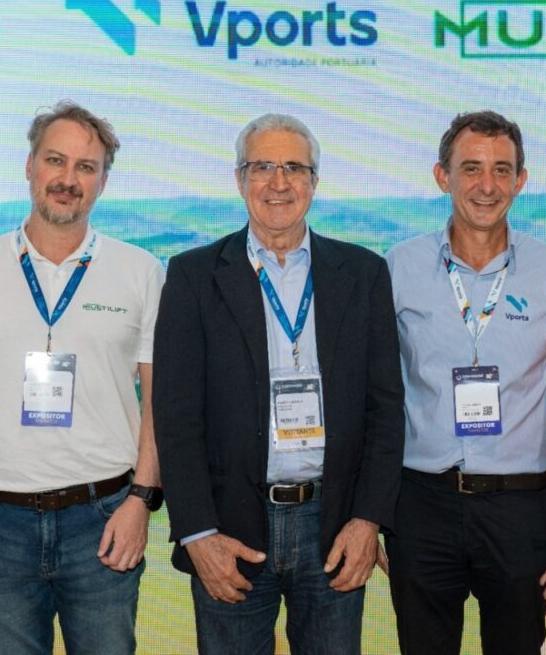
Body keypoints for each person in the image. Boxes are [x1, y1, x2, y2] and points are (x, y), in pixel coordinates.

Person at [0, 101, 164, 655]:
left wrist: (140, 503)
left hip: (104, 521)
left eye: (86, 167)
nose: (68, 179)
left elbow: (160, 400)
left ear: (103, 181)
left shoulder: (142, 271)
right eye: (55, 160)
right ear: (29, 166)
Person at [153, 113, 404, 655]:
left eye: (294, 168)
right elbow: (175, 418)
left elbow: (386, 410)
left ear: (315, 182)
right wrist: (197, 533)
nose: (279, 182)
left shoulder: (363, 274)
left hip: (334, 527)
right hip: (231, 529)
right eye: (262, 166)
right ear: (239, 178)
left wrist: (368, 520)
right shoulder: (193, 276)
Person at [385, 110, 546, 655]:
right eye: (470, 168)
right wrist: (368, 511)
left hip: (520, 508)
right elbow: (378, 396)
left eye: (501, 170)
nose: (486, 185)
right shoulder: (399, 266)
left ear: (521, 180)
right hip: (421, 504)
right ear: (442, 176)